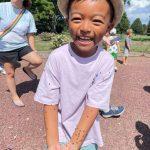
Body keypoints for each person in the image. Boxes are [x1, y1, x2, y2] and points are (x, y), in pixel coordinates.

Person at [35, 0, 124, 149]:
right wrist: (53, 145)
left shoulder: (105, 61)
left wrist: (75, 144)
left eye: (96, 21)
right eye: (77, 19)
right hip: (58, 132)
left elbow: (94, 105)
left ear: (109, 27)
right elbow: (50, 102)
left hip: (87, 134)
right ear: (67, 21)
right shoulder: (57, 57)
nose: (85, 28)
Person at [0, 0, 42, 107]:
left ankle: (27, 69)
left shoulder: (28, 14)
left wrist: (33, 49)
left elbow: (30, 34)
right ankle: (14, 96)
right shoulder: (2, 7)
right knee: (10, 73)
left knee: (38, 61)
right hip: (5, 48)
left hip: (22, 46)